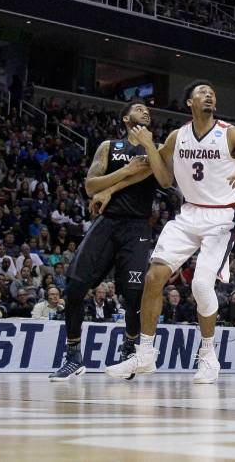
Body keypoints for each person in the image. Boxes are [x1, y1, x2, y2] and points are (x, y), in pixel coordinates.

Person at [104, 80, 235, 384]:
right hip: (189, 214)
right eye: (202, 92)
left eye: (212, 92)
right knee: (154, 276)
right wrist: (148, 147)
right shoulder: (176, 136)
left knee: (200, 286)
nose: (209, 95)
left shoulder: (231, 134)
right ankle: (144, 355)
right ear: (189, 103)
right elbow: (165, 178)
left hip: (222, 217)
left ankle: (208, 355)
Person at [47, 101, 158, 382]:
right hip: (107, 222)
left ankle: (129, 348)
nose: (145, 111)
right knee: (74, 287)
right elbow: (90, 186)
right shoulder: (109, 146)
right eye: (138, 107)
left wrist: (118, 182)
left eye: (148, 110)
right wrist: (124, 170)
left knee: (133, 296)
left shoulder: (155, 149)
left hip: (137, 227)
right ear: (125, 118)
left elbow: (163, 178)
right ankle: (73, 356)